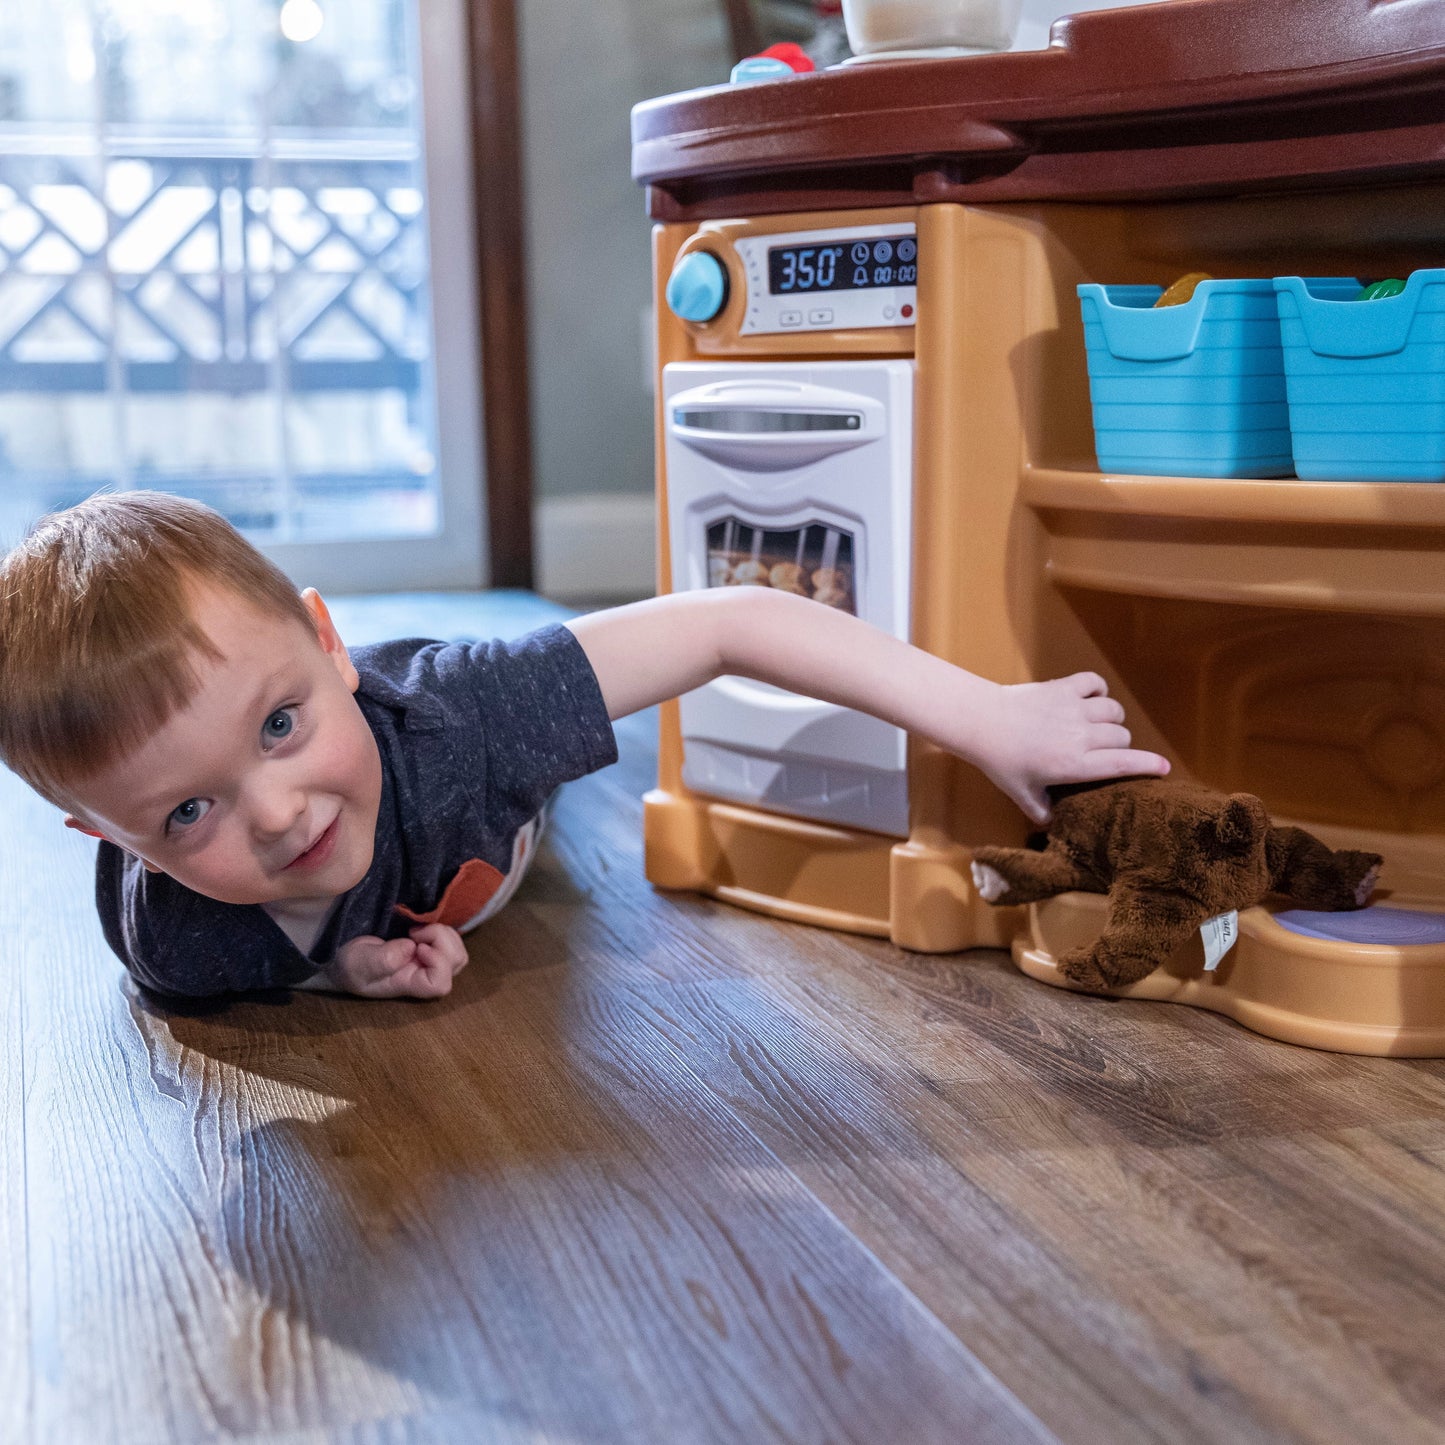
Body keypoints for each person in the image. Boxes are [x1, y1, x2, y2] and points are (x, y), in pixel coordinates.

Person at [0, 491, 1169, 1001]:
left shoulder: (475, 719)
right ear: (105, 837)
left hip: (446, 694)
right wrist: (332, 971)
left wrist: (987, 716)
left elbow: (730, 618)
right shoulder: (179, 943)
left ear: (323, 639)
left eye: (279, 723)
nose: (273, 811)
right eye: (185, 813)